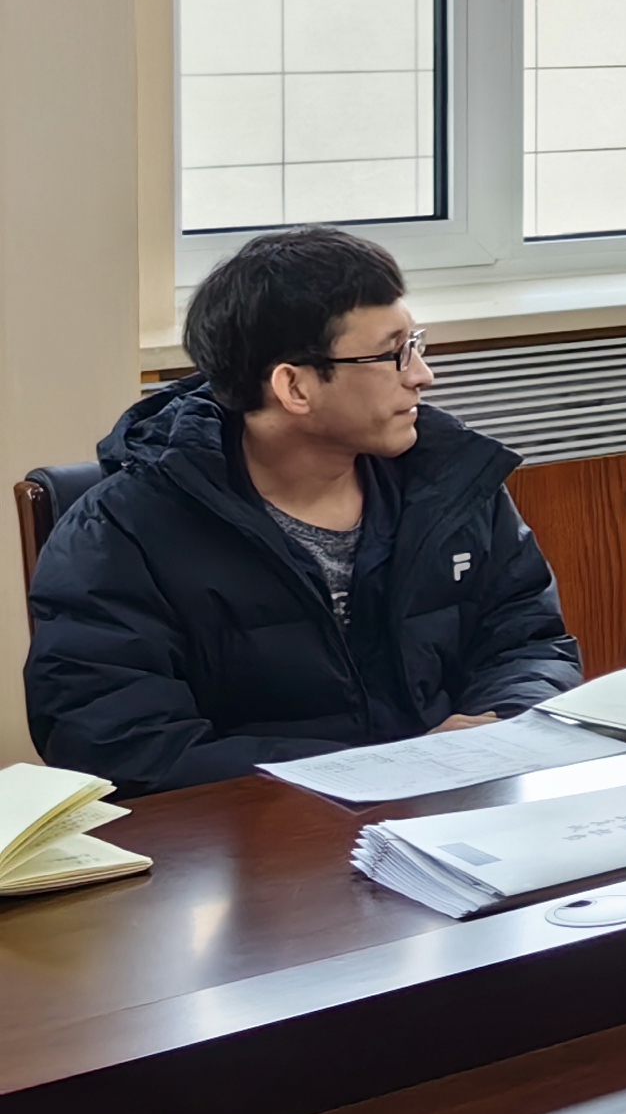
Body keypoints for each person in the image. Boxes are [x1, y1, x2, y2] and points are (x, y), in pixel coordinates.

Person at [25, 228, 577, 794]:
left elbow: (530, 643)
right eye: (393, 354)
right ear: (293, 387)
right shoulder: (120, 533)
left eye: (416, 344)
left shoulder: (449, 481)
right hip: (258, 837)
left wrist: (501, 729)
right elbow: (120, 746)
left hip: (456, 809)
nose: (421, 375)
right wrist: (384, 768)